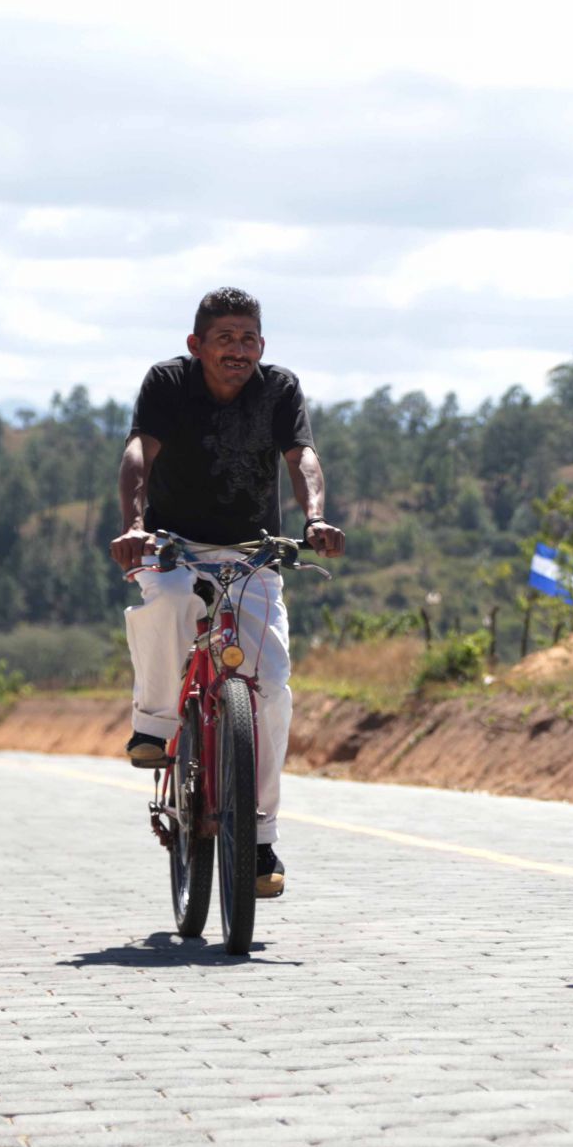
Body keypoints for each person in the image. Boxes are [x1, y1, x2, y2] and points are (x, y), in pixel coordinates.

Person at [108, 288, 345, 898]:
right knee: (168, 603)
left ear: (262, 345)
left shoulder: (279, 389)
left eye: (248, 339)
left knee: (271, 687)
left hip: (252, 550)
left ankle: (260, 839)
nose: (238, 350)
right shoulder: (168, 383)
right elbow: (139, 452)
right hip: (170, 544)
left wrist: (315, 517)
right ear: (196, 345)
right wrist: (135, 526)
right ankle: (155, 725)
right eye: (224, 339)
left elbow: (302, 456)